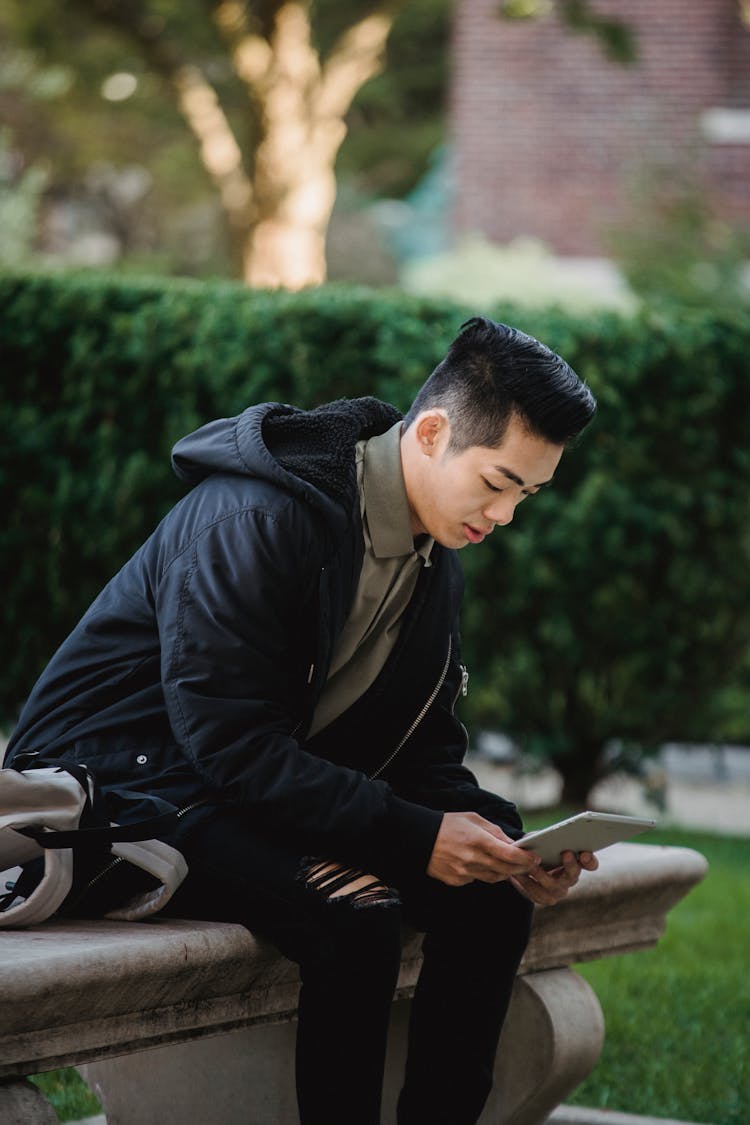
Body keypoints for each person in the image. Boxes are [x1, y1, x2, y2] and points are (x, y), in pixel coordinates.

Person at [5, 316, 598, 1124]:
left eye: (526, 494)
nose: (505, 515)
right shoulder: (256, 517)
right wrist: (417, 834)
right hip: (119, 787)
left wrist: (515, 843)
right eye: (496, 483)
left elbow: (421, 752)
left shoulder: (433, 560)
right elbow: (230, 745)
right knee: (354, 912)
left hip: (237, 786)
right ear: (430, 433)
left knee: (493, 895)